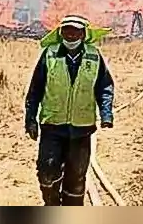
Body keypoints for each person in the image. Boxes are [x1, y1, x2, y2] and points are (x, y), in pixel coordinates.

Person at [23, 15, 115, 206]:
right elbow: (35, 89)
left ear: (84, 34)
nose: (71, 35)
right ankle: (52, 203)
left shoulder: (94, 56)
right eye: (67, 30)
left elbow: (104, 87)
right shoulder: (49, 55)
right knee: (47, 171)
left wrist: (106, 113)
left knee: (76, 177)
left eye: (76, 31)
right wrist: (30, 119)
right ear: (61, 33)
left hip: (82, 128)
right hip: (52, 125)